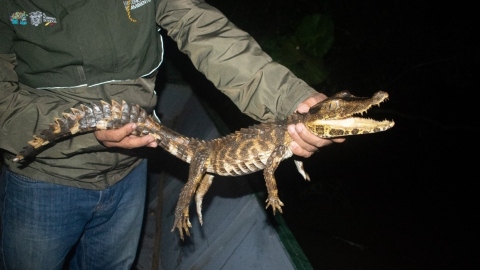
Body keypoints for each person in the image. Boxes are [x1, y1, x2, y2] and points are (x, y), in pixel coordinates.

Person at [0, 0, 343, 269]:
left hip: (132, 167)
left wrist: (291, 99)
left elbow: (202, 27)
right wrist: (86, 133)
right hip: (43, 176)